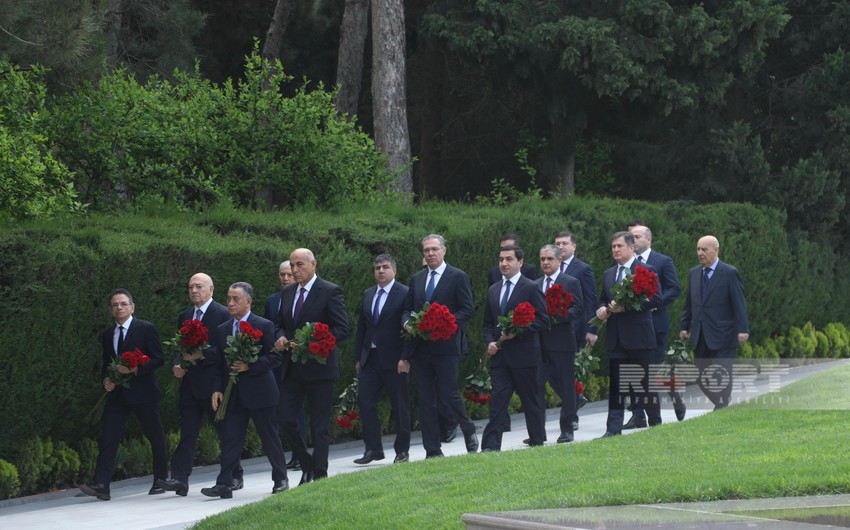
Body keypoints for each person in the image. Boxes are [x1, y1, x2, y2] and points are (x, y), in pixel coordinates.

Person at [201, 282, 288, 498]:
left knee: (269, 437)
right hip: (233, 393)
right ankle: (225, 483)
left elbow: (275, 357)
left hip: (260, 392)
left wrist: (251, 366)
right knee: (230, 438)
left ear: (248, 301)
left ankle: (280, 478)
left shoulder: (264, 325)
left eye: (235, 299)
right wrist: (216, 389)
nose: (230, 303)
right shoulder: (222, 330)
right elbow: (220, 364)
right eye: (228, 299)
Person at [158, 273, 242, 497]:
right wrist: (177, 365)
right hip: (189, 386)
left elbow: (225, 350)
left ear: (211, 289)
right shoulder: (184, 316)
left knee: (224, 432)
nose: (194, 290)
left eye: (199, 286)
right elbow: (179, 348)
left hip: (213, 385)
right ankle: (179, 479)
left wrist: (200, 354)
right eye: (190, 287)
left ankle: (235, 474)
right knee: (188, 433)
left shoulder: (223, 314)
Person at [80, 289, 168, 501]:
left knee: (155, 436)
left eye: (123, 304)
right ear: (111, 310)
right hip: (118, 395)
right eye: (115, 305)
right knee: (109, 436)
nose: (119, 307)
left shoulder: (146, 328)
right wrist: (107, 380)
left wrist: (135, 370)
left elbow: (158, 359)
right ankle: (102, 484)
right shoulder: (108, 334)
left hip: (143, 393)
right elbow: (106, 362)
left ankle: (161, 479)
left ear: (132, 307)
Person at [274, 248, 350, 483]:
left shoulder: (329, 291)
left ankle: (319, 473)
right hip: (292, 369)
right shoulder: (287, 294)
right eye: (292, 266)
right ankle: (306, 462)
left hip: (319, 369)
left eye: (300, 265)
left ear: (313, 264)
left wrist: (314, 342)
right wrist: (281, 337)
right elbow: (279, 324)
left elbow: (342, 328)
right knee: (285, 418)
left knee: (319, 426)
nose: (295, 271)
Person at [403, 234, 478, 458]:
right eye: (426, 250)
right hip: (422, 348)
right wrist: (407, 323)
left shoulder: (457, 276)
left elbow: (467, 309)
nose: (430, 253)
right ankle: (432, 450)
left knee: (449, 393)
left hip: (447, 347)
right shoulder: (417, 279)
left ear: (444, 251)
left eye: (435, 249)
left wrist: (445, 323)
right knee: (426, 400)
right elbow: (407, 309)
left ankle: (468, 429)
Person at [481, 246, 548, 451]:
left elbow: (543, 321)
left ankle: (537, 438)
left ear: (520, 262)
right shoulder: (493, 289)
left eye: (509, 259)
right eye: (501, 259)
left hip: (525, 356)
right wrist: (490, 341)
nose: (504, 263)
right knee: (498, 401)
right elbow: (487, 323)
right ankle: (490, 446)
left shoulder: (530, 287)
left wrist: (518, 331)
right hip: (500, 358)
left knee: (531, 400)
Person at [595, 232, 662, 437]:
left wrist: (627, 307)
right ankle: (613, 429)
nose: (615, 250)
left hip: (640, 338)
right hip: (616, 338)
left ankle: (655, 423)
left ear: (632, 248)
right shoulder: (608, 274)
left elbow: (656, 299)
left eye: (619, 246)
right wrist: (601, 310)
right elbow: (603, 299)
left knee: (645, 384)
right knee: (617, 385)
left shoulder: (645, 270)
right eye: (613, 246)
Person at [352, 254, 411, 464]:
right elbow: (363, 327)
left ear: (394, 270)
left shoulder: (404, 293)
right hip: (371, 358)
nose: (381, 271)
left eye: (385, 267)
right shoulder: (368, 294)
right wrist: (359, 357)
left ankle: (402, 450)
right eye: (377, 268)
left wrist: (405, 357)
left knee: (400, 404)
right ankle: (373, 449)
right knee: (366, 402)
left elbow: (409, 330)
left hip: (395, 359)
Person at [623, 223, 682, 428]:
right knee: (633, 370)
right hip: (633, 327)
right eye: (631, 237)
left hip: (655, 324)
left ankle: (674, 393)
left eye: (638, 237)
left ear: (649, 239)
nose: (634, 240)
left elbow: (674, 288)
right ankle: (638, 414)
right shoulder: (626, 265)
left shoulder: (662, 261)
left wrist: (656, 304)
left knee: (653, 370)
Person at [680, 235, 749, 409]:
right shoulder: (694, 273)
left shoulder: (729, 273)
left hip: (724, 334)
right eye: (698, 249)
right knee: (701, 376)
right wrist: (684, 326)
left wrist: (743, 329)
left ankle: (721, 405)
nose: (700, 253)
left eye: (705, 249)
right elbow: (690, 303)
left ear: (716, 250)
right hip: (700, 334)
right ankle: (721, 402)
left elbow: (739, 303)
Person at [535, 244, 584, 443]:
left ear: (559, 261)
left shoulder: (569, 281)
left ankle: (567, 428)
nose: (545, 263)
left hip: (562, 341)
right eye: (542, 259)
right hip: (539, 343)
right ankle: (537, 432)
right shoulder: (535, 283)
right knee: (536, 385)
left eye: (549, 259)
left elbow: (578, 308)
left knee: (566, 384)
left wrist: (557, 316)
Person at [263, 259, 306, 471]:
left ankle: (301, 453)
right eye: (282, 275)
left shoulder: (306, 297)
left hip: (297, 360)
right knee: (282, 411)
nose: (286, 278)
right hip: (277, 362)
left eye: (289, 274)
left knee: (297, 411)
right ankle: (292, 453)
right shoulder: (272, 301)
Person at [554, 230, 598, 427]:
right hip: (555, 330)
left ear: (574, 246)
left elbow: (590, 300)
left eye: (564, 243)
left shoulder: (583, 269)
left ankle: (571, 418)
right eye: (557, 243)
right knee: (551, 372)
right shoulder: (551, 267)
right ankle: (575, 398)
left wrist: (592, 329)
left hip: (576, 329)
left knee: (569, 372)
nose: (561, 247)